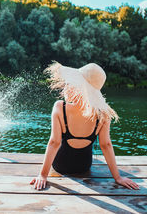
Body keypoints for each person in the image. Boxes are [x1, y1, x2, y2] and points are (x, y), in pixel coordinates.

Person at [30, 61, 139, 190]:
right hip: (83, 165)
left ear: (79, 87)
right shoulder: (102, 113)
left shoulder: (60, 107)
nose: (65, 86)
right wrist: (118, 178)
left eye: (70, 83)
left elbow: (54, 142)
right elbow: (106, 145)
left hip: (61, 165)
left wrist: (43, 175)